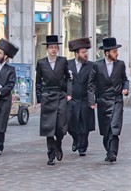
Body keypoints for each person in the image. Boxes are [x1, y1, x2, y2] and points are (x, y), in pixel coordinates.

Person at [87, 37, 129, 163]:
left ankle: (113, 153)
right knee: (106, 130)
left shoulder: (120, 64)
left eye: (117, 51)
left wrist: (125, 89)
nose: (117, 53)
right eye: (114, 51)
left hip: (116, 99)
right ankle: (108, 150)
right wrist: (92, 101)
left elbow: (125, 79)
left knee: (114, 128)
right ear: (107, 53)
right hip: (103, 101)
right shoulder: (97, 65)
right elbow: (91, 84)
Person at [35, 35, 72, 165]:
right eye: (51, 47)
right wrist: (39, 98)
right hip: (47, 96)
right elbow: (38, 82)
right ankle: (51, 154)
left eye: (55, 47)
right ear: (47, 49)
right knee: (48, 126)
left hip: (60, 95)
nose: (53, 50)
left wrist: (69, 93)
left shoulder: (63, 61)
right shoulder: (41, 63)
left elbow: (68, 78)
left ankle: (59, 144)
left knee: (60, 125)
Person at [67, 38, 95, 156]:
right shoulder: (67, 65)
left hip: (85, 99)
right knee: (69, 124)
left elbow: (94, 84)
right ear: (76, 53)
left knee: (84, 124)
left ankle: (82, 147)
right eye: (83, 52)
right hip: (71, 99)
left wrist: (93, 100)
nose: (85, 54)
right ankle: (75, 138)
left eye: (86, 52)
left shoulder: (91, 66)